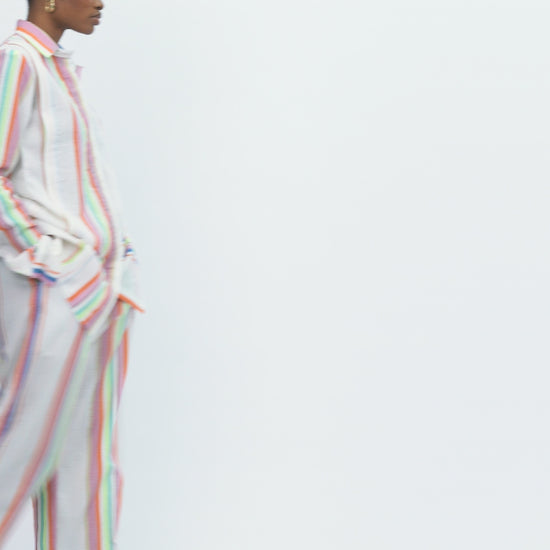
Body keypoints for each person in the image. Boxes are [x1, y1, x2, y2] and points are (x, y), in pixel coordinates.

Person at [0, 0, 144, 548]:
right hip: (57, 290)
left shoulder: (59, 69)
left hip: (104, 290)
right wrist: (43, 255)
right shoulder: (17, 61)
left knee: (88, 466)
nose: (103, 3)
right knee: (18, 449)